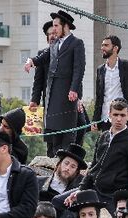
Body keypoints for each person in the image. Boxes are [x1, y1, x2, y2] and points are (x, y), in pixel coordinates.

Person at [30, 9, 86, 155]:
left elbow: (78, 70)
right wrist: (32, 62)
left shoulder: (76, 43)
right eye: (51, 30)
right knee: (53, 138)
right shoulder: (52, 47)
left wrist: (75, 91)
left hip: (69, 98)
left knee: (72, 132)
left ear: (65, 26)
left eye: (56, 26)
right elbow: (38, 78)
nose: (53, 32)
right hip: (51, 100)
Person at [78, 98, 128, 214]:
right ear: (109, 115)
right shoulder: (103, 137)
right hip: (93, 190)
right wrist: (80, 190)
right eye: (115, 114)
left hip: (113, 197)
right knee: (60, 201)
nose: (119, 119)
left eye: (122, 115)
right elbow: (93, 165)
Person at [93, 35, 128, 129]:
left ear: (115, 48)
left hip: (123, 119)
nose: (102, 48)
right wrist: (95, 119)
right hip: (105, 119)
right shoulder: (100, 70)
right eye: (102, 45)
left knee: (122, 143)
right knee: (105, 144)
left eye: (106, 45)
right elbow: (99, 97)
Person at [42, 144, 86, 218]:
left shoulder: (75, 195)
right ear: (59, 164)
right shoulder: (39, 182)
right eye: (66, 163)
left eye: (73, 166)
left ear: (76, 172)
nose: (67, 168)